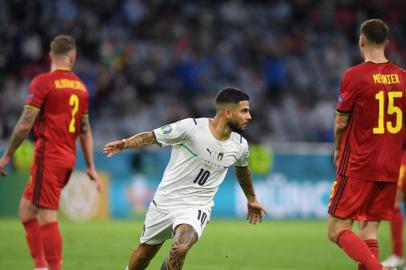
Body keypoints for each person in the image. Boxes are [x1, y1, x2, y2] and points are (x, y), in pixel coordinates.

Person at [103, 87, 267, 270]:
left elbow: (242, 169)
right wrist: (125, 144)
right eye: (244, 110)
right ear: (228, 112)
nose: (249, 116)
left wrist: (251, 198)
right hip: (166, 202)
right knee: (143, 255)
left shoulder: (240, 145)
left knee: (180, 247)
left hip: (196, 206)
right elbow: (153, 137)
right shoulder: (191, 128)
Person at [0, 35, 100, 270]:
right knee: (26, 211)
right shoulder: (81, 88)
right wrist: (90, 166)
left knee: (46, 216)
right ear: (73, 58)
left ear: (50, 56)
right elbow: (85, 131)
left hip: (49, 156)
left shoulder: (43, 82)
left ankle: (52, 268)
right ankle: (41, 266)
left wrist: (6, 155)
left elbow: (25, 123)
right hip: (67, 158)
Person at [327, 18, 406, 270]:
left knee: (336, 229)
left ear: (361, 41)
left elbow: (341, 123)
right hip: (390, 167)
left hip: (360, 164)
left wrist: (338, 149)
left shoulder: (355, 76)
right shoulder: (403, 78)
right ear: (387, 43)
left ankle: (379, 269)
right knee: (368, 231)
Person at [382, 149, 406, 268]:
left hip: (402, 158)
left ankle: (397, 255)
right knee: (395, 202)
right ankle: (397, 254)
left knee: (395, 201)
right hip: (398, 155)